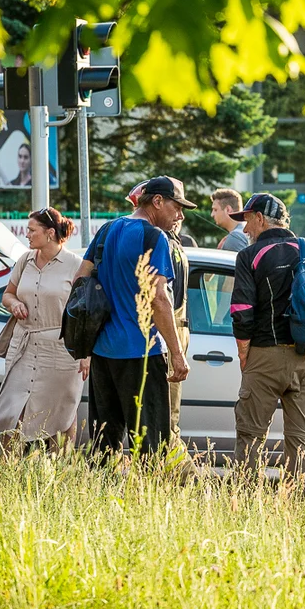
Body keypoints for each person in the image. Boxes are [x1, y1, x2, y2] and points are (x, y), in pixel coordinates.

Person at [76, 176, 192, 457]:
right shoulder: (154, 237)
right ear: (157, 201)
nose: (179, 215)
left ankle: (103, 496)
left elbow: (80, 279)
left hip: (103, 351)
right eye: (176, 207)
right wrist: (177, 354)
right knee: (152, 444)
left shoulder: (107, 230)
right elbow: (159, 299)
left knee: (105, 444)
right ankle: (150, 498)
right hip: (142, 352)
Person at [230, 193, 305, 486]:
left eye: (247, 221)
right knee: (300, 441)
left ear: (260, 218)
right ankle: (298, 510)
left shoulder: (248, 255)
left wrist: (245, 354)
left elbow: (241, 311)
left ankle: (244, 507)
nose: (245, 230)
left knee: (251, 437)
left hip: (264, 353)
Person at [0, 208, 85, 454]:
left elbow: (87, 312)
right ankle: (8, 470)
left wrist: (86, 354)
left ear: (50, 233)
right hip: (24, 344)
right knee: (13, 411)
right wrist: (15, 304)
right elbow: (7, 295)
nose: (28, 235)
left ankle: (60, 471)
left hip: (61, 349)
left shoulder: (75, 265)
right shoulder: (25, 260)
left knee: (62, 414)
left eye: (32, 230)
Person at [125, 182, 199, 478]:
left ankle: (175, 482)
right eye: (176, 207)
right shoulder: (170, 243)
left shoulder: (163, 242)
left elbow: (160, 298)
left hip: (166, 334)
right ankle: (184, 482)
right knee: (165, 420)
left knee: (164, 420)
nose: (179, 215)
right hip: (168, 334)